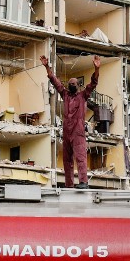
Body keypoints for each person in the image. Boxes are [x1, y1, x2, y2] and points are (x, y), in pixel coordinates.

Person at [40, 54, 100, 189]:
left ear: (78, 85)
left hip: (78, 132)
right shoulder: (65, 94)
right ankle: (69, 184)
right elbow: (55, 81)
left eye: (73, 84)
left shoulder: (83, 95)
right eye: (69, 83)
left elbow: (93, 84)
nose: (71, 85)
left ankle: (83, 182)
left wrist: (96, 69)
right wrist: (46, 67)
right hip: (66, 132)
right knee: (67, 160)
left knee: (80, 157)